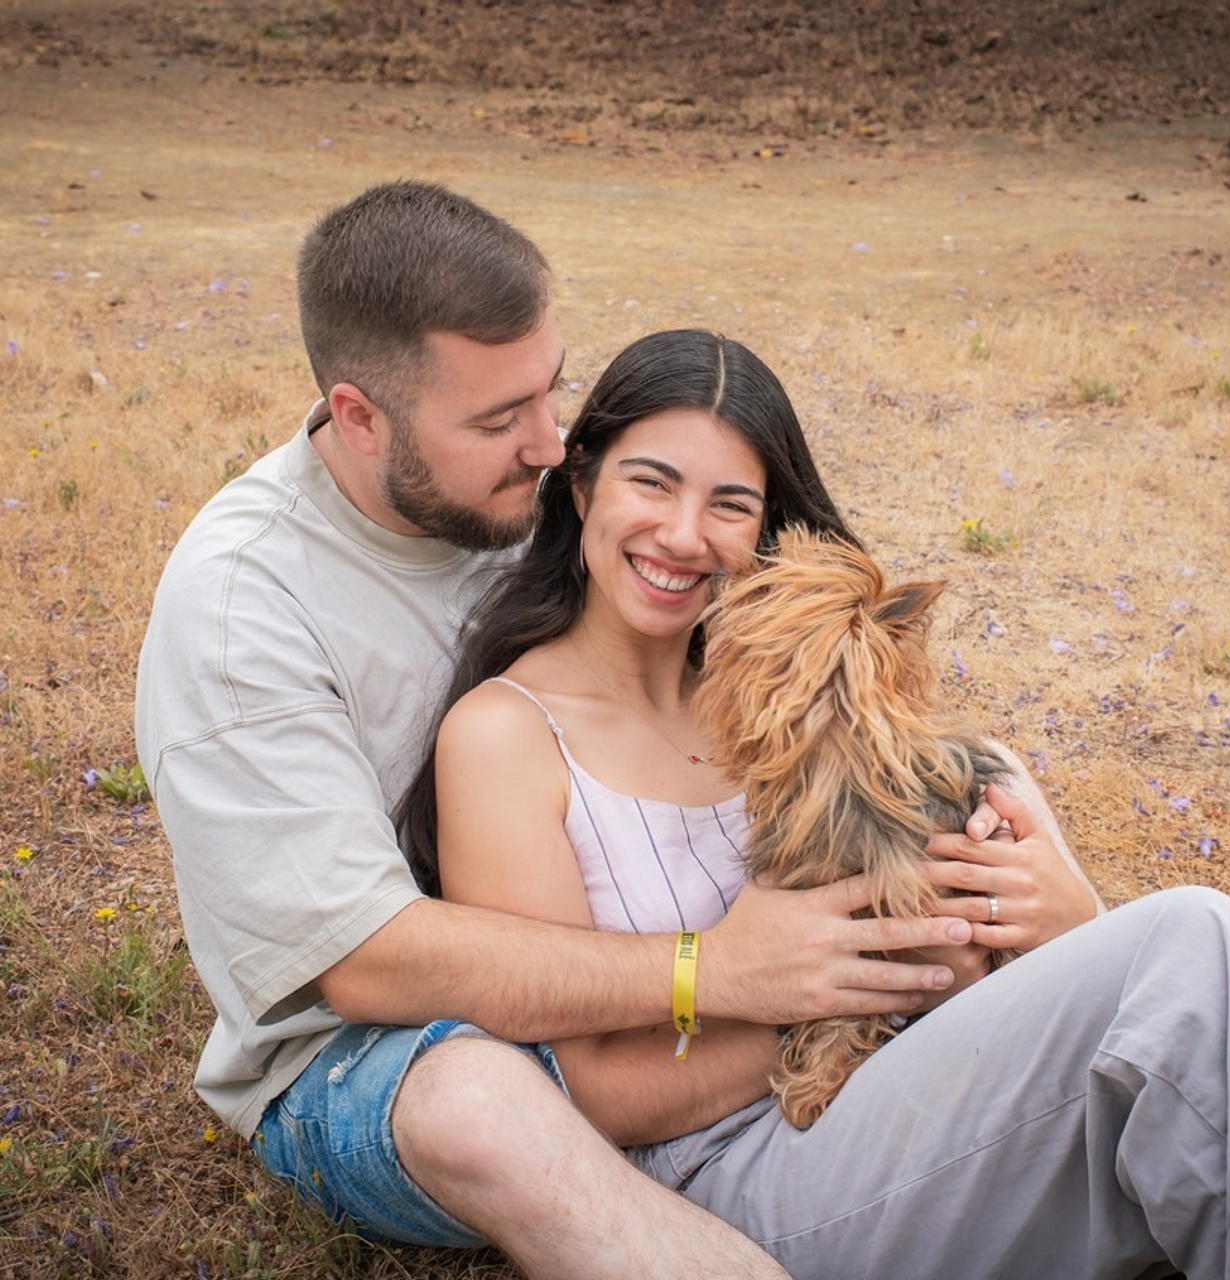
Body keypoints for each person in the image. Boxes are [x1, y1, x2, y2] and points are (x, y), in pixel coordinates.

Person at [135, 180, 1008, 1278]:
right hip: (374, 1050)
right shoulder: (243, 607)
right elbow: (365, 963)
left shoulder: (546, 493)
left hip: (638, 983)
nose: (550, 444)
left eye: (550, 393)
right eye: (501, 420)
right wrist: (711, 973)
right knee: (481, 1096)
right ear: (360, 417)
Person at [408, 329, 1230, 1277]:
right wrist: (849, 988)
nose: (685, 535)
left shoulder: (802, 684)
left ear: (767, 530)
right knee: (1195, 946)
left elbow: (953, 842)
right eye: (650, 483)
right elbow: (589, 1093)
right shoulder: (506, 736)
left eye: (730, 504)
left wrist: (1066, 913)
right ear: (582, 487)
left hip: (910, 1086)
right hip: (731, 1178)